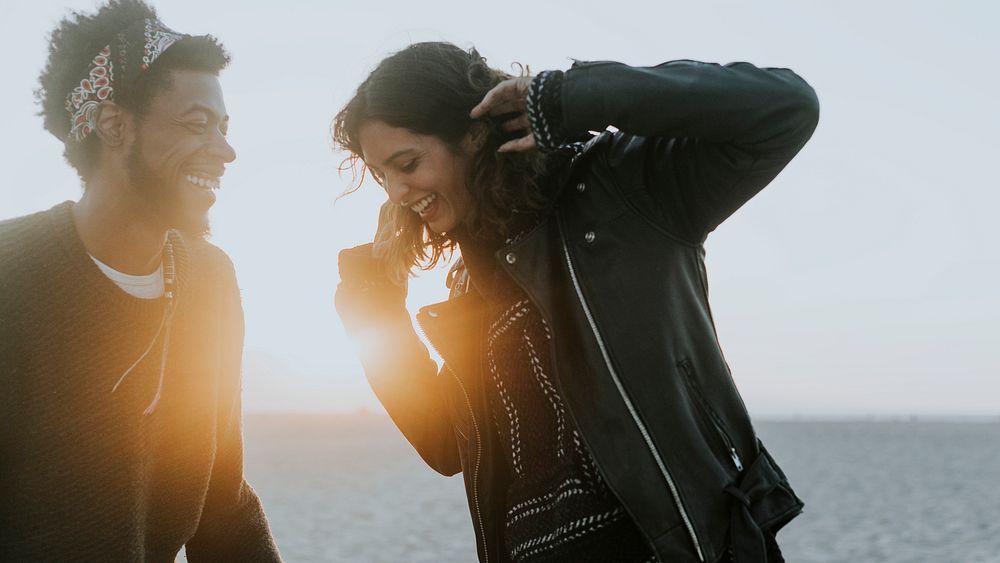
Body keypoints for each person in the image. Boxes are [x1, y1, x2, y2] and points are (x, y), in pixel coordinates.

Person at [333, 42, 818, 563]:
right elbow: (446, 444)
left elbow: (786, 108)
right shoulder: (471, 286)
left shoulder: (623, 190)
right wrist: (372, 299)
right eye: (382, 176)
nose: (396, 193)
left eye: (406, 164)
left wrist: (570, 99)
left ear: (473, 134)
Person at [0, 1, 281, 560]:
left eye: (224, 128)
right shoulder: (11, 274)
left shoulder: (210, 281)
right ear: (113, 124)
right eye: (197, 124)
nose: (225, 151)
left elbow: (221, 504)